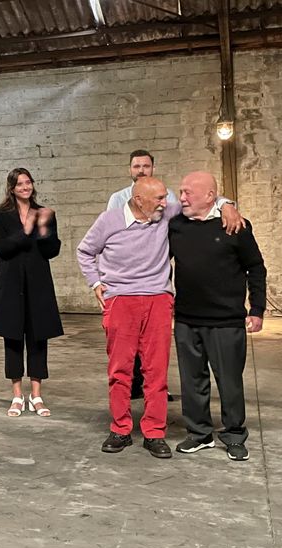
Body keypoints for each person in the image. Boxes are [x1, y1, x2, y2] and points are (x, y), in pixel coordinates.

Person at [77, 177, 243, 458]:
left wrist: (227, 205)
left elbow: (202, 202)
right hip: (121, 300)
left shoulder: (165, 213)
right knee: (120, 369)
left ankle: (154, 432)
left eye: (166, 198)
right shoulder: (110, 220)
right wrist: (95, 283)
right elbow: (85, 251)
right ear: (138, 199)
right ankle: (120, 429)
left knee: (156, 370)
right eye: (160, 199)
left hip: (158, 299)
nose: (167, 204)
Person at [170, 171, 266, 461]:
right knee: (192, 381)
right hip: (186, 319)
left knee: (229, 382)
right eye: (181, 192)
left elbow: (256, 267)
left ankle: (234, 434)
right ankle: (199, 434)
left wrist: (257, 309)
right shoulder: (176, 225)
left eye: (188, 192)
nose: (182, 197)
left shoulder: (235, 225)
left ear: (210, 196)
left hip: (226, 321)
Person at [0, 168, 63, 418]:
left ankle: (37, 395)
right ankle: (17, 395)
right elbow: (1, 247)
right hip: (10, 285)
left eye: (28, 182)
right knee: (13, 339)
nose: (25, 187)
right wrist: (26, 230)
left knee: (38, 339)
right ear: (11, 188)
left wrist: (42, 229)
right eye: (20, 184)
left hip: (38, 284)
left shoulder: (44, 213)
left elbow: (53, 250)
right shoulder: (0, 215)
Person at [107, 149, 177, 401]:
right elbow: (108, 235)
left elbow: (189, 209)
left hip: (155, 277)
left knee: (155, 344)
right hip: (126, 281)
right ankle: (134, 385)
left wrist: (225, 204)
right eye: (136, 166)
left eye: (145, 166)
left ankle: (155, 387)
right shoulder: (117, 199)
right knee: (127, 343)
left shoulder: (164, 197)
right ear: (130, 169)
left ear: (153, 168)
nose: (141, 170)